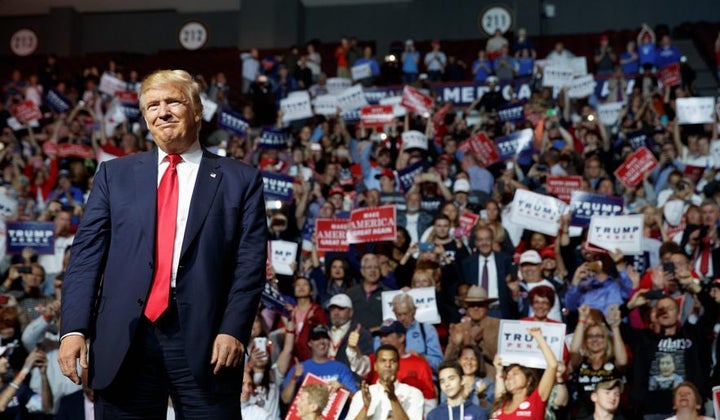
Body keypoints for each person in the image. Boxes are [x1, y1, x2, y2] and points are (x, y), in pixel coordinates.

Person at [57, 69, 268, 418]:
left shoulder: (239, 179)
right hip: (125, 343)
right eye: (152, 105)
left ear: (197, 111)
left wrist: (233, 329)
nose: (163, 111)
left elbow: (249, 265)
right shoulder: (114, 175)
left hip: (208, 343)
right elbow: (85, 259)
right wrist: (73, 330)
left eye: (173, 101)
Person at [490, 327, 558, 420]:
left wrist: (538, 337)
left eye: (515, 374)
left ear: (529, 380)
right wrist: (498, 369)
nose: (509, 378)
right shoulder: (502, 403)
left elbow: (552, 365)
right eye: (508, 375)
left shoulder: (536, 400)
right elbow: (500, 380)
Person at [346, 344, 424, 419]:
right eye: (383, 361)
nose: (388, 365)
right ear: (375, 366)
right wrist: (366, 407)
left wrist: (393, 398)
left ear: (398, 366)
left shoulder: (413, 394)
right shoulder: (362, 395)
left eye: (392, 361)